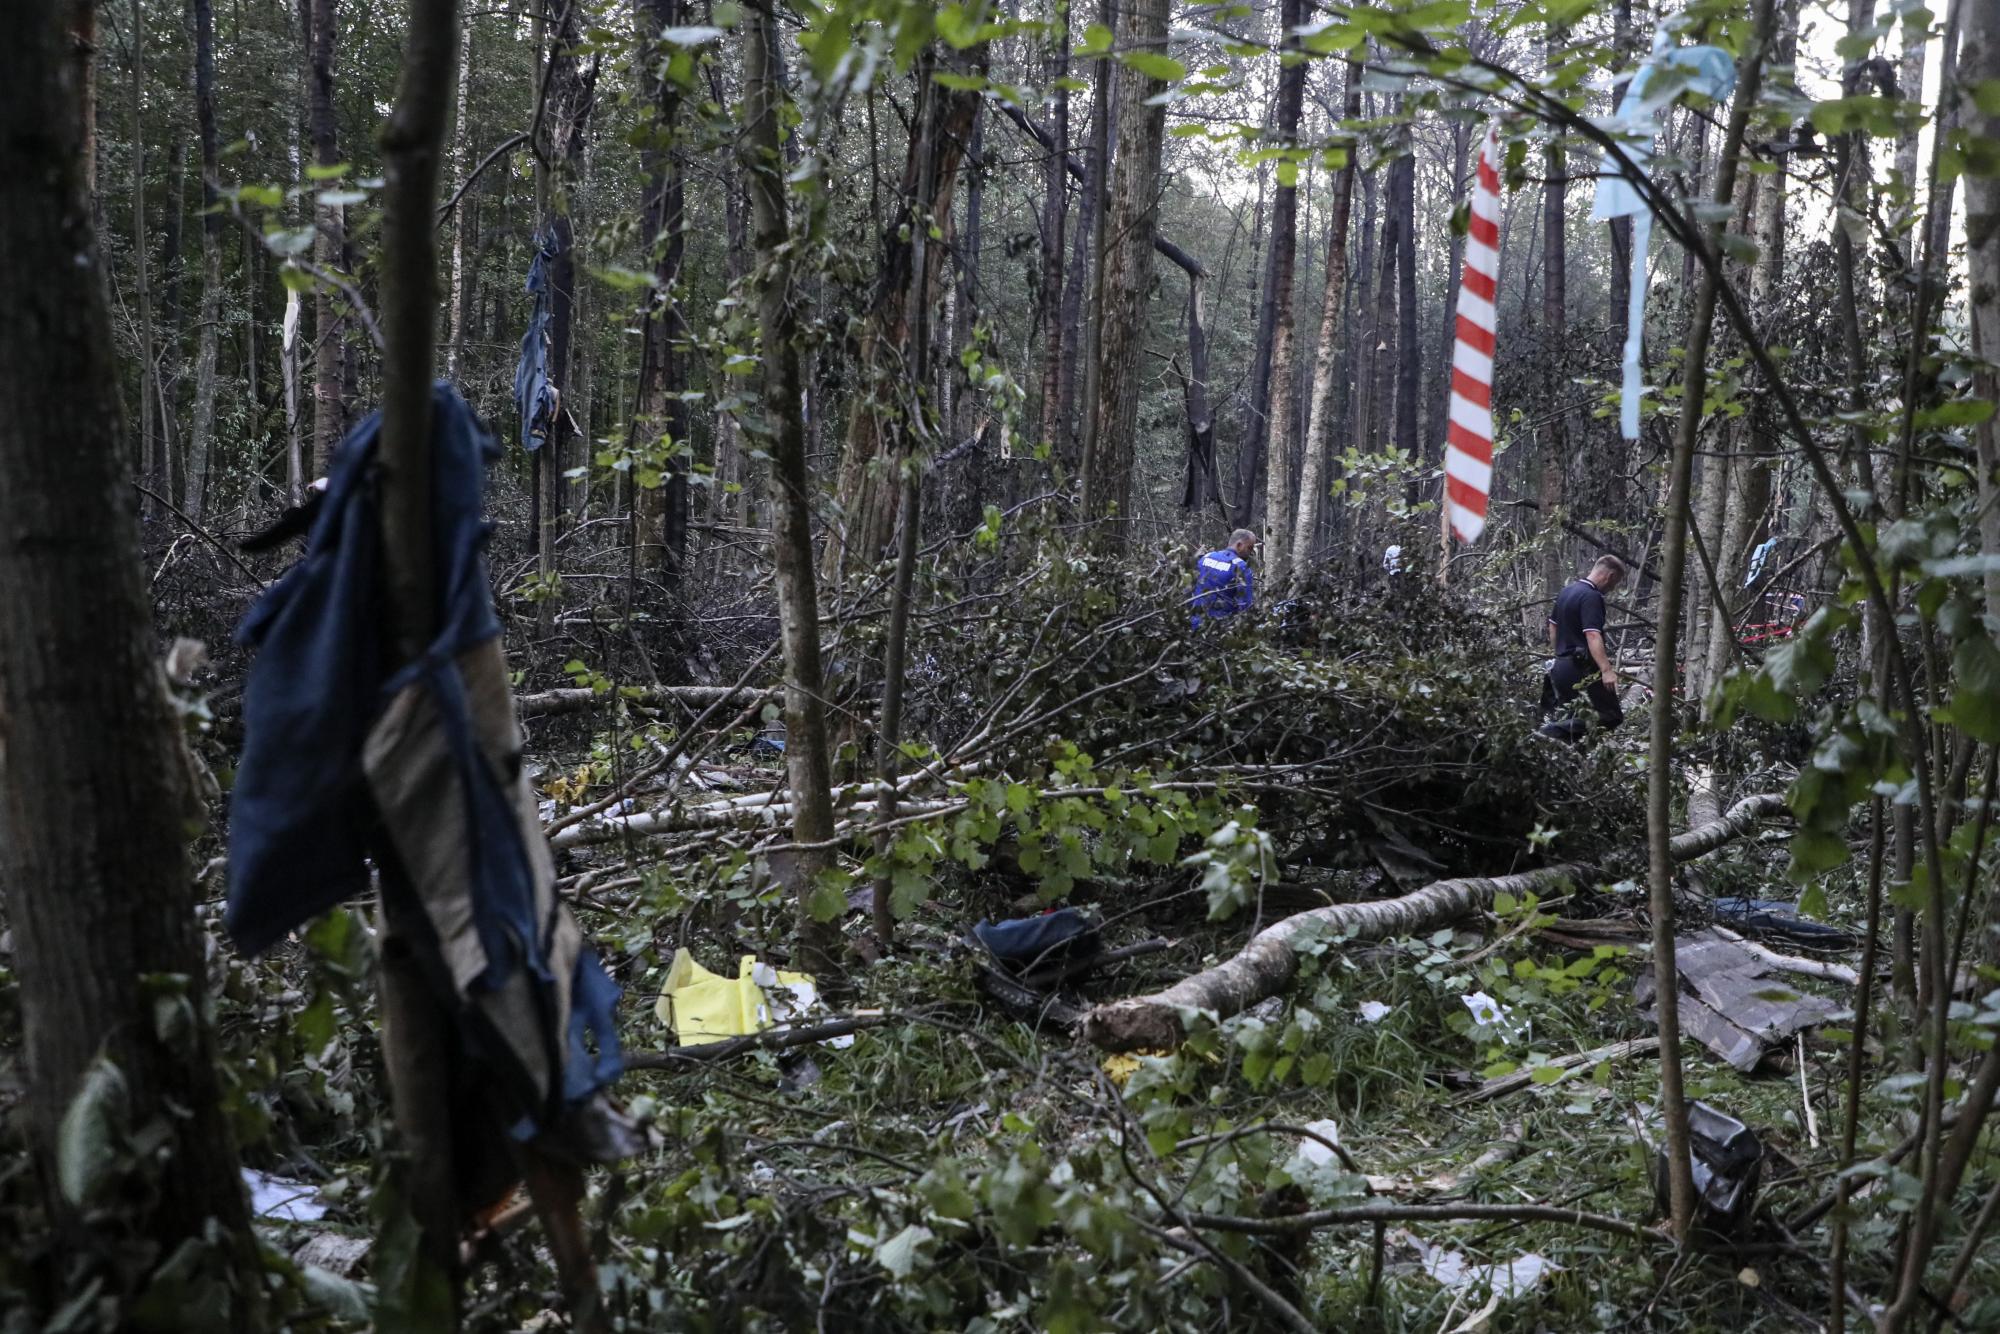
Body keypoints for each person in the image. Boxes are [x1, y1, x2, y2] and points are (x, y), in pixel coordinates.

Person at [1538, 554, 1628, 742]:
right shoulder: (1591, 597)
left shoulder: (1567, 591)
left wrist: (1560, 655)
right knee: (1611, 716)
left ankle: (1569, 761)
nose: (1612, 589)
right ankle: (1547, 733)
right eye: (1615, 583)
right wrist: (1606, 670)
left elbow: (1552, 626)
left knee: (1575, 718)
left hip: (1561, 667)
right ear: (1609, 576)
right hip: (1581, 669)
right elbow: (1592, 634)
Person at [1190, 529, 1258, 627]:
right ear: (1239, 545)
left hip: (1195, 623)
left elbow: (1191, 588)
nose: (1251, 552)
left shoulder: (1206, 557)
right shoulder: (1241, 567)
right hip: (1221, 628)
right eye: (1250, 548)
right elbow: (1245, 605)